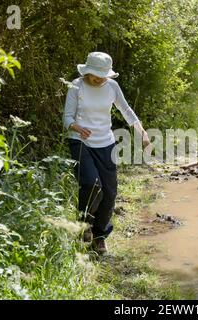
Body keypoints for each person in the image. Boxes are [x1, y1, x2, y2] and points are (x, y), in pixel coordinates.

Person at [63, 52, 150, 254]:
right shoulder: (77, 86)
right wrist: (76, 127)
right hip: (80, 142)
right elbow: (67, 117)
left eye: (103, 75)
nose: (99, 78)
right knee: (92, 184)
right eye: (95, 74)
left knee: (109, 193)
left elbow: (126, 110)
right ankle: (84, 224)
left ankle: (99, 236)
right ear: (87, 71)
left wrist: (142, 132)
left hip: (106, 144)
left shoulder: (112, 87)